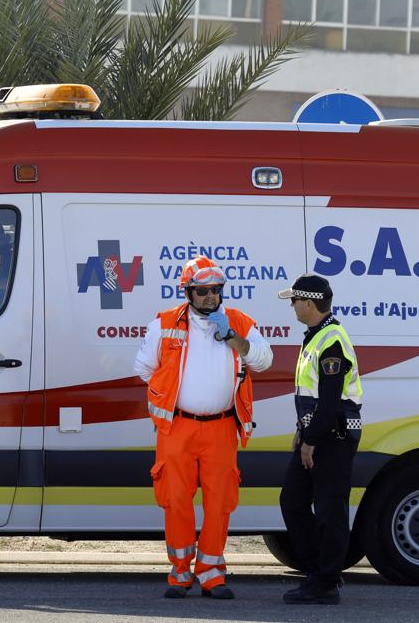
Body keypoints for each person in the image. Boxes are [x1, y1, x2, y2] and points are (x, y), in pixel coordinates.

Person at [134, 256, 273, 600]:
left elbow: (264, 359)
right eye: (203, 291)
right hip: (177, 427)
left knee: (219, 502)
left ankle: (212, 573)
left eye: (216, 290)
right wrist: (173, 392)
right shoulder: (165, 323)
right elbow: (143, 368)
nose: (211, 297)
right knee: (176, 500)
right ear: (188, 292)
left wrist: (234, 339)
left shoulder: (238, 321)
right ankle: (180, 574)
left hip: (222, 428)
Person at [276, 274, 363, 605]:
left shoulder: (331, 342)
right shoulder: (316, 336)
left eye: (294, 301)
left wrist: (310, 440)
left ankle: (325, 583)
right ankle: (320, 571)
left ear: (309, 303)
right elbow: (311, 399)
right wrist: (303, 432)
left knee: (330, 511)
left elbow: (329, 403)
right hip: (316, 435)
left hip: (333, 438)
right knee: (293, 501)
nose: (293, 306)